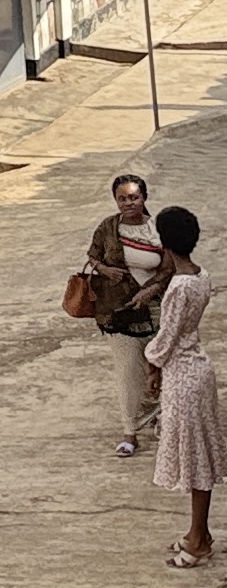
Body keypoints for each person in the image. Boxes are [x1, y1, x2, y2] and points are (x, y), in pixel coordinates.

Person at [151, 206, 227, 568]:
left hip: (183, 375)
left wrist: (152, 363)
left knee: (195, 461)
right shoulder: (201, 276)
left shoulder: (179, 287)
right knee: (200, 457)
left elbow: (167, 337)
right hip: (198, 369)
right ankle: (199, 532)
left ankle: (198, 539)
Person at [94, 174, 174, 456]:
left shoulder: (158, 230)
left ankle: (161, 416)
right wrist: (105, 270)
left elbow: (168, 266)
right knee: (128, 372)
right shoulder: (108, 228)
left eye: (134, 197)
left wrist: (150, 291)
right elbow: (93, 256)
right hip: (118, 311)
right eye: (122, 198)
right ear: (116, 200)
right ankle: (130, 432)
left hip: (155, 309)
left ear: (144, 197)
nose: (129, 203)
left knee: (159, 366)